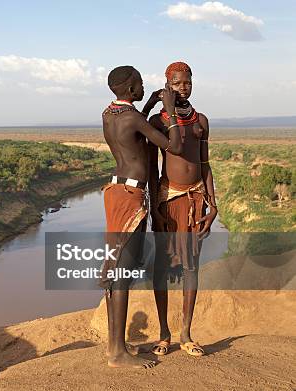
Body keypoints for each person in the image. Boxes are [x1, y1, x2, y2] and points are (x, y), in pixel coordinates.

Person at [101, 65, 183, 368]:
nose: (143, 85)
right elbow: (172, 145)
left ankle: (114, 347)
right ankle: (118, 353)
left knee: (115, 268)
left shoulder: (109, 114)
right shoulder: (132, 118)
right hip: (131, 196)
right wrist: (170, 111)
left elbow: (131, 132)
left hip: (115, 191)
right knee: (123, 271)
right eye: (139, 83)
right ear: (129, 88)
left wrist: (148, 105)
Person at [148, 61, 218, 357]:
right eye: (177, 84)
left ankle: (186, 334)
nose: (183, 87)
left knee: (191, 266)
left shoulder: (201, 120)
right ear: (167, 86)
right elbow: (153, 169)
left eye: (187, 82)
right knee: (162, 267)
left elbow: (205, 165)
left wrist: (213, 205)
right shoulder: (158, 121)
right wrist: (155, 208)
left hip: (196, 200)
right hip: (170, 200)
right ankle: (164, 334)